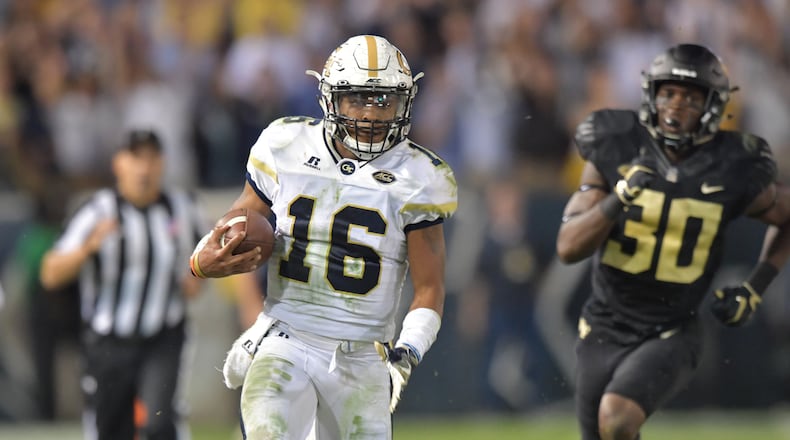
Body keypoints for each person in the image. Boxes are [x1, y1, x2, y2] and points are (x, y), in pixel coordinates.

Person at [188, 34, 457, 439]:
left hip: (363, 356)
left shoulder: (420, 176)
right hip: (286, 338)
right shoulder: (285, 143)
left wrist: (408, 351)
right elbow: (242, 218)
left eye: (384, 100)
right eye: (358, 98)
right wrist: (203, 256)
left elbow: (430, 286)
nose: (371, 114)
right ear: (330, 98)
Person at [556, 43, 790, 440]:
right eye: (668, 93)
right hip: (602, 327)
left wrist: (757, 285)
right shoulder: (616, 145)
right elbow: (568, 247)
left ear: (713, 106)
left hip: (672, 329)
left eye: (690, 97)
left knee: (616, 418)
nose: (676, 106)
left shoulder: (733, 164)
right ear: (651, 95)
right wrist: (618, 199)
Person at [40, 129, 207, 440]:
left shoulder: (183, 209)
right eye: (135, 158)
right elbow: (50, 273)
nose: (143, 168)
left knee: (159, 422)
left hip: (163, 335)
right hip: (108, 341)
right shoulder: (96, 211)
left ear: (162, 163)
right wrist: (87, 248)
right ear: (119, 163)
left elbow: (201, 267)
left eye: (151, 158)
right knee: (111, 430)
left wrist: (196, 279)